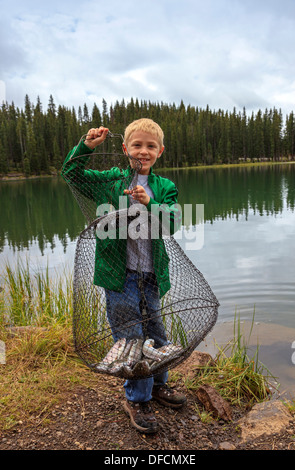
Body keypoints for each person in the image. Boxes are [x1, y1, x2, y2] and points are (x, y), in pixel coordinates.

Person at [62, 118, 186, 434]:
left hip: (152, 276)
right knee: (131, 340)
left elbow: (171, 224)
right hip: (121, 277)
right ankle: (137, 398)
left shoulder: (164, 187)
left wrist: (151, 203)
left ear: (160, 151)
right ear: (125, 148)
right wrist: (86, 146)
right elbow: (70, 174)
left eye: (150, 146)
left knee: (156, 334)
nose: (143, 151)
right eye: (137, 145)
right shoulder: (109, 182)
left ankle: (159, 385)